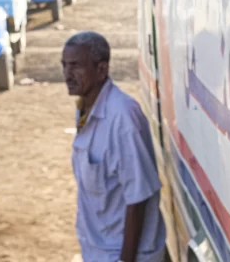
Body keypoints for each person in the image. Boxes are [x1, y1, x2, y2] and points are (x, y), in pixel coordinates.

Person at [62, 31, 167, 262]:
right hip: (98, 250)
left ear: (101, 70)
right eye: (64, 65)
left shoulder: (123, 117)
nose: (67, 74)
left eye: (76, 66)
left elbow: (138, 198)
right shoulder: (85, 107)